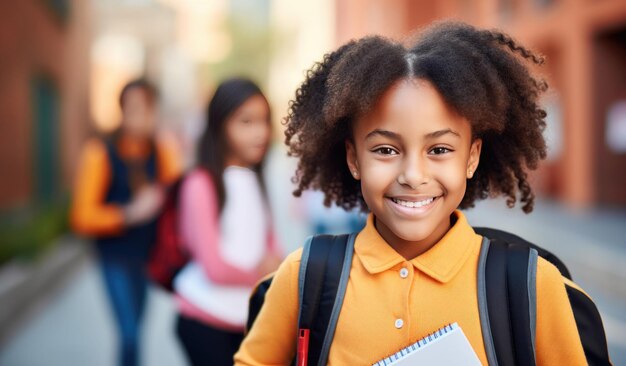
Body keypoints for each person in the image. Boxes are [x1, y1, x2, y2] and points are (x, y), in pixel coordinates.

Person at [235, 21, 591, 365]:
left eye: (439, 150)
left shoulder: (531, 285)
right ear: (353, 158)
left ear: (472, 157)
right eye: (386, 150)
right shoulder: (304, 275)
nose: (413, 175)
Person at [71, 79, 181, 366]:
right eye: (133, 107)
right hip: (114, 257)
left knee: (137, 330)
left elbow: (178, 196)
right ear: (122, 110)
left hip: (148, 258)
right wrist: (128, 213)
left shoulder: (162, 150)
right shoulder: (99, 152)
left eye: (147, 107)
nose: (140, 114)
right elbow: (81, 216)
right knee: (129, 333)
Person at [173, 78, 282, 366]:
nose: (260, 132)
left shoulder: (255, 180)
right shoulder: (201, 184)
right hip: (205, 319)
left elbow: (273, 248)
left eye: (264, 121)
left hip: (245, 319)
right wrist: (262, 276)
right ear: (220, 125)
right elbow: (215, 268)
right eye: (246, 122)